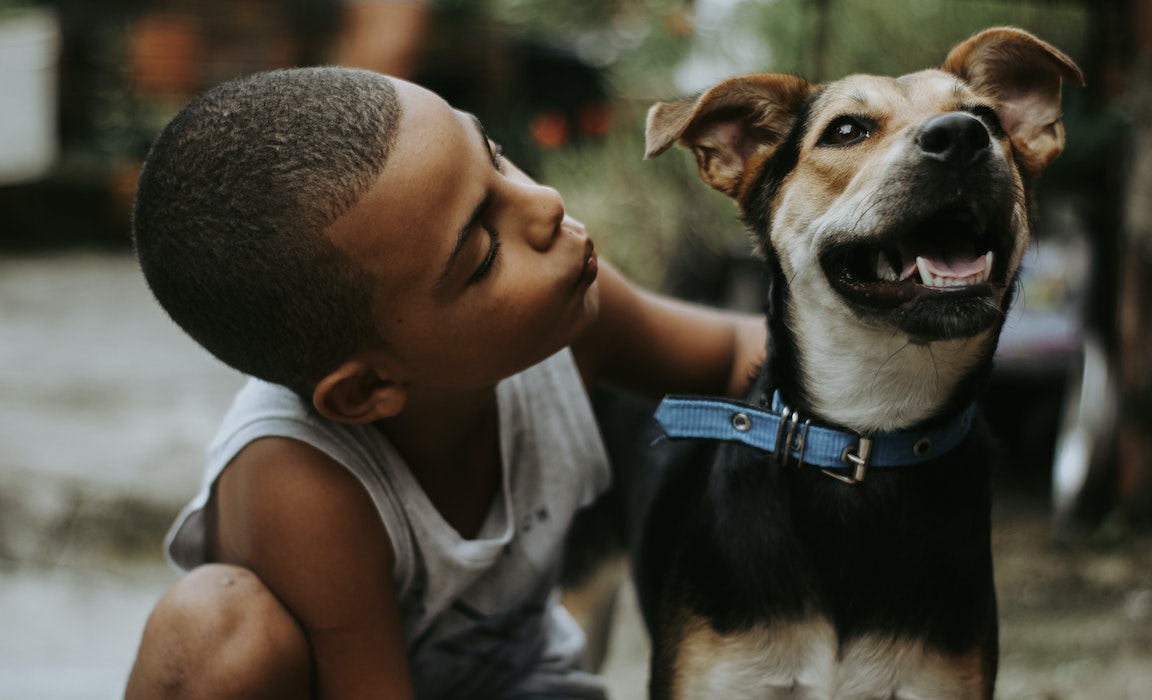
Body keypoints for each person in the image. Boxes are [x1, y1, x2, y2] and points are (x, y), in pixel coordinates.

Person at [123, 66, 765, 699]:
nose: (545, 205)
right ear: (367, 390)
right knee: (213, 622)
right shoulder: (302, 480)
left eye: (498, 159)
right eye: (483, 254)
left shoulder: (564, 307)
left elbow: (740, 353)